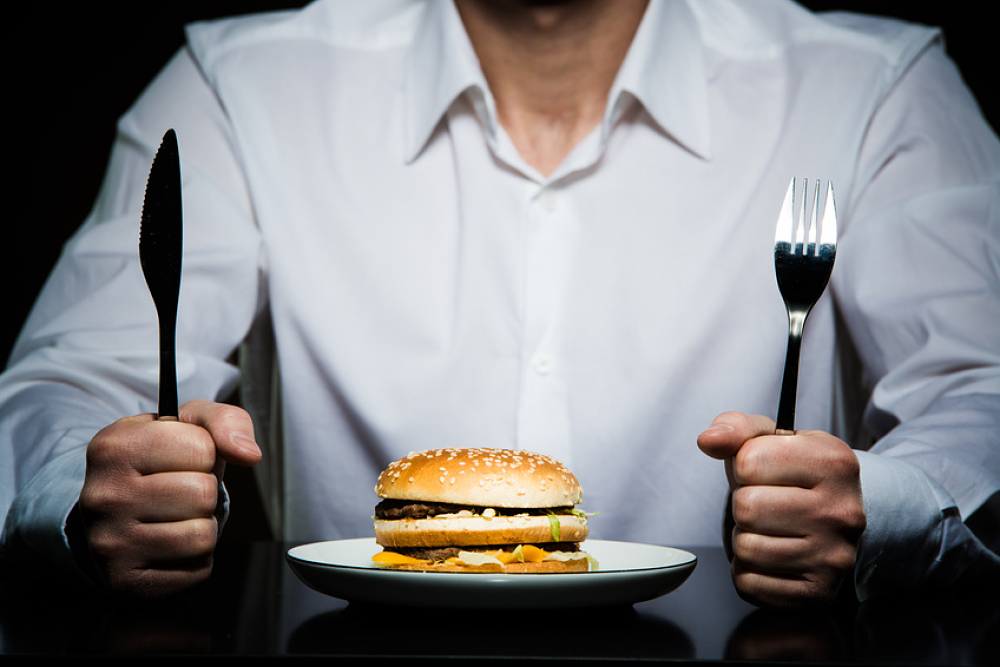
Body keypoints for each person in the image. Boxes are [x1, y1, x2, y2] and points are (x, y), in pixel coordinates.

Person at [2, 0, 998, 607]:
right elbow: (60, 384)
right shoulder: (234, 85)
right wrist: (92, 496)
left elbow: (982, 390)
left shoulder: (875, 89)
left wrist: (882, 503)